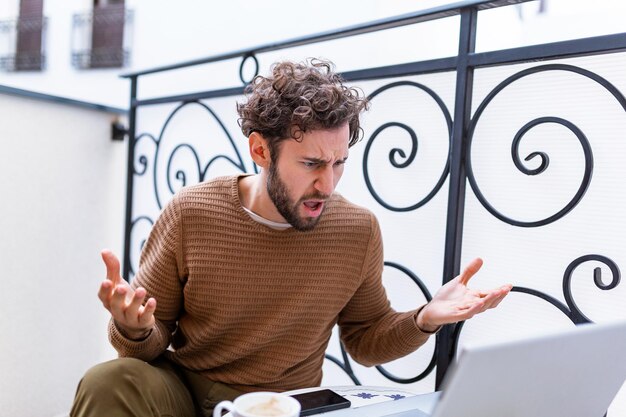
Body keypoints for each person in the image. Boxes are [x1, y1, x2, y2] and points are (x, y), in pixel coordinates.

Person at [70, 59, 512, 417]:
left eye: (338, 162)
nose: (328, 183)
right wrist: (133, 328)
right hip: (185, 390)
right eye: (312, 164)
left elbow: (366, 340)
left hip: (285, 404)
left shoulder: (356, 230)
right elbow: (151, 335)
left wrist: (425, 319)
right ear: (261, 150)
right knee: (108, 381)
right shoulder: (193, 211)